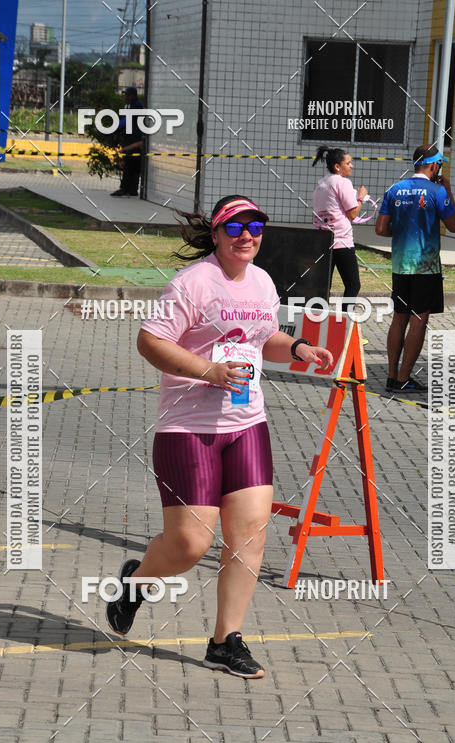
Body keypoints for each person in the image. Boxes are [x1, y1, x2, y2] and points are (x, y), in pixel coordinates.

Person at [105, 195, 333, 679]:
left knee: (249, 535)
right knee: (189, 546)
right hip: (189, 428)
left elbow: (261, 338)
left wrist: (298, 347)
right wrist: (208, 370)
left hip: (247, 424)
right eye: (235, 227)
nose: (246, 234)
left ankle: (225, 640)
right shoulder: (194, 283)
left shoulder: (263, 281)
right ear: (216, 233)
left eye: (255, 225)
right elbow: (151, 341)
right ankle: (136, 581)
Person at [375, 145, 455, 393]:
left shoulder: (394, 189)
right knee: (418, 320)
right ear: (434, 166)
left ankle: (391, 376)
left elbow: (381, 228)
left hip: (400, 265)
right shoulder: (437, 191)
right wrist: (449, 191)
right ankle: (403, 378)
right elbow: (454, 225)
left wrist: (400, 233)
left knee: (399, 318)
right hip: (426, 268)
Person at [312, 146, 367, 299]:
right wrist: (361, 196)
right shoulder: (342, 183)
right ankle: (344, 319)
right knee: (353, 284)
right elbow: (353, 213)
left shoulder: (321, 184)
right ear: (337, 167)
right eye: (348, 163)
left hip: (323, 241)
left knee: (323, 285)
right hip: (341, 241)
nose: (352, 165)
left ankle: (316, 318)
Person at [110, 86, 144, 198]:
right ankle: (132, 190)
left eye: (128, 95)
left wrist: (115, 128)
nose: (126, 97)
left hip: (134, 139)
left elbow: (126, 120)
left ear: (133, 95)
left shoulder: (136, 106)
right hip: (131, 138)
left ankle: (124, 189)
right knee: (133, 166)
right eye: (126, 95)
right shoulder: (132, 105)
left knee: (129, 164)